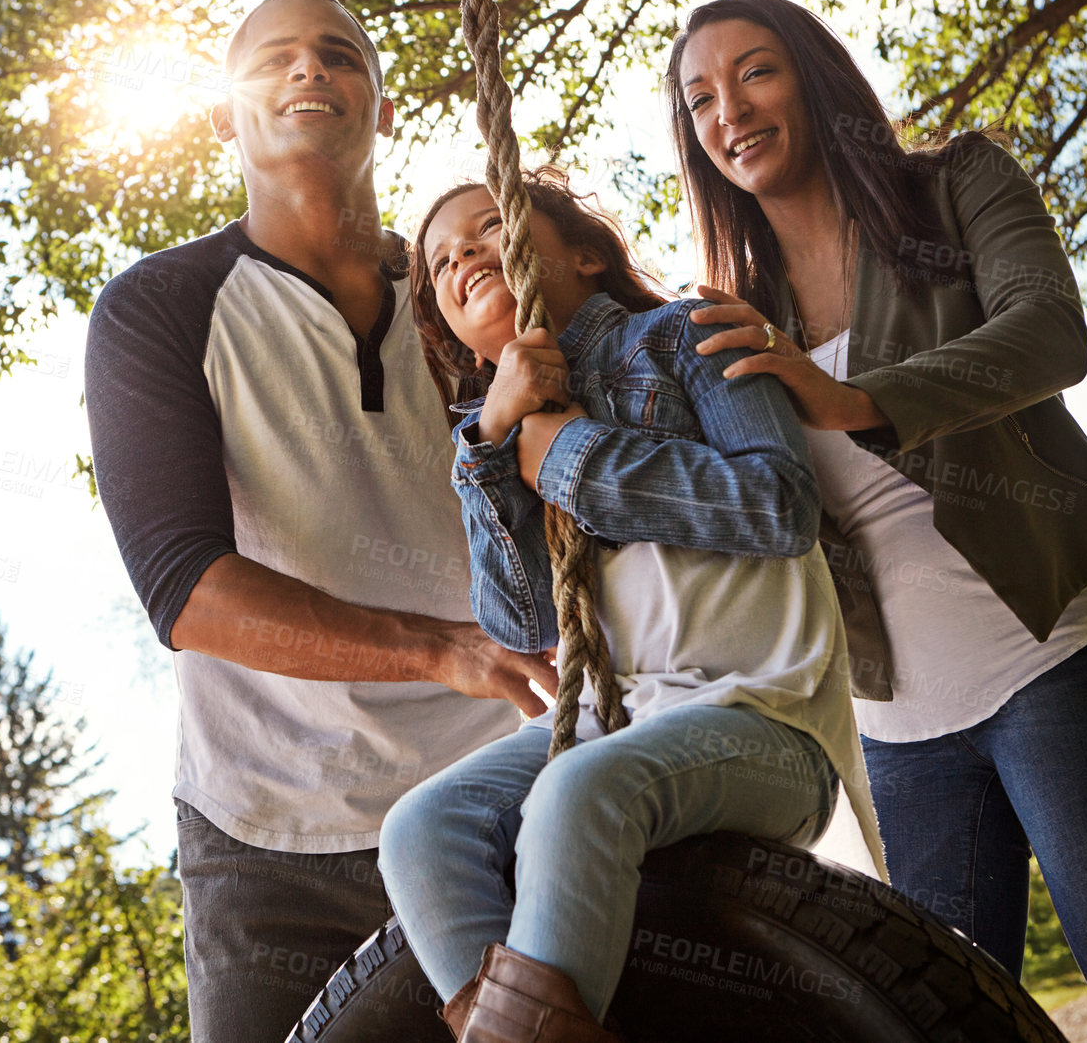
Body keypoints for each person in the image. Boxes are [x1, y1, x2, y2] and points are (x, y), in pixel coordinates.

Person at [664, 0, 1087, 1042]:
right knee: (939, 1031)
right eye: (699, 97)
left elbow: (1049, 333)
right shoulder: (732, 312)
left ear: (813, 74)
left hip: (1066, 652)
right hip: (900, 730)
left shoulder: (951, 185)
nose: (729, 111)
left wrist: (856, 399)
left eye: (753, 71)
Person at [83, 0, 551, 1041]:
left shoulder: (464, 295)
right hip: (266, 835)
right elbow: (185, 588)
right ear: (223, 115)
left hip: (495, 808)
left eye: (340, 55)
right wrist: (444, 647)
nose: (310, 71)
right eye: (278, 58)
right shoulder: (158, 307)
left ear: (383, 109)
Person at [377, 167, 887, 1040]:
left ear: (581, 253)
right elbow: (524, 624)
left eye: (487, 226)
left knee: (578, 791)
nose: (461, 252)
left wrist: (569, 451)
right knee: (423, 826)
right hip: (620, 720)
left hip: (766, 718)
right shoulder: (498, 438)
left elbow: (777, 506)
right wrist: (491, 448)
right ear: (458, 338)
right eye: (438, 263)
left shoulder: (684, 338)